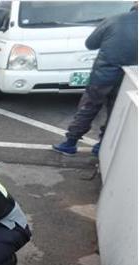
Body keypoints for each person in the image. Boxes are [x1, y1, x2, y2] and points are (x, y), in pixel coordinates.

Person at [53, 5, 138, 156]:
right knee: (115, 112)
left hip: (103, 74)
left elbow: (90, 44)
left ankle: (70, 143)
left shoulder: (113, 20)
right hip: (130, 77)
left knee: (88, 107)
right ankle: (101, 146)